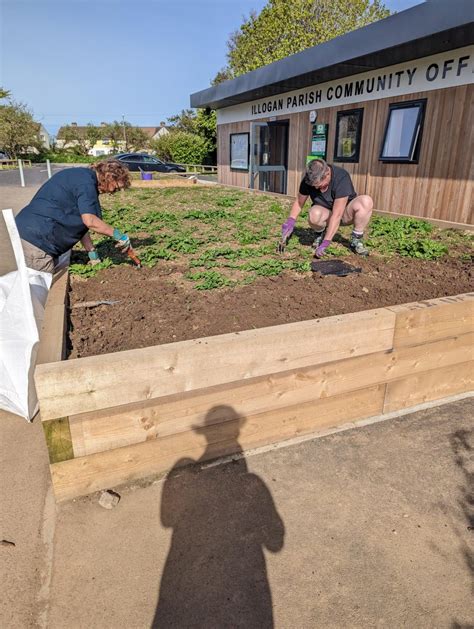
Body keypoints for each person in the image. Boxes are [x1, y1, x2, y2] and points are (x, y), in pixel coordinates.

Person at [15, 159, 133, 273]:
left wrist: (91, 252)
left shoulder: (82, 177)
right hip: (37, 239)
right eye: (115, 188)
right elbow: (90, 221)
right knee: (39, 287)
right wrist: (119, 236)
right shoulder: (87, 184)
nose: (112, 192)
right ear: (109, 177)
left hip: (30, 232)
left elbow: (81, 222)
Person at [281, 158, 373, 257]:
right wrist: (291, 220)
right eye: (314, 186)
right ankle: (320, 234)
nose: (316, 188)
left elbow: (337, 215)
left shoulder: (341, 177)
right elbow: (299, 202)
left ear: (327, 174)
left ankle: (356, 239)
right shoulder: (309, 179)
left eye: (319, 185)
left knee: (366, 201)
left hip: (345, 214)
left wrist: (326, 242)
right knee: (314, 213)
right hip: (326, 214)